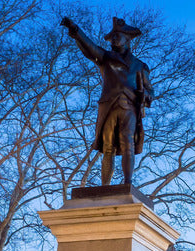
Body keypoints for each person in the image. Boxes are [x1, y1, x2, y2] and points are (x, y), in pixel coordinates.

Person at [60, 15, 152, 186]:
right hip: (109, 105)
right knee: (107, 147)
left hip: (129, 107)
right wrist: (75, 30)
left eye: (117, 36)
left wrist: (145, 95)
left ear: (127, 39)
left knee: (128, 143)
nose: (114, 39)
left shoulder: (140, 66)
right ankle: (105, 187)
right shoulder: (106, 57)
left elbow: (150, 90)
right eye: (112, 36)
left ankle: (127, 183)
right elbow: (90, 48)